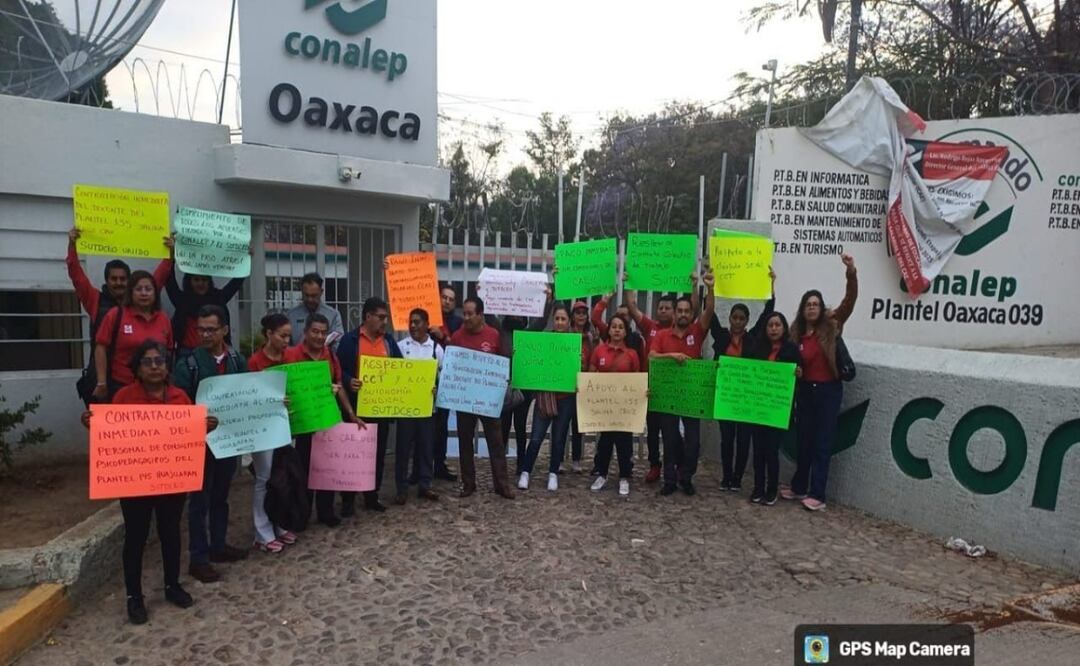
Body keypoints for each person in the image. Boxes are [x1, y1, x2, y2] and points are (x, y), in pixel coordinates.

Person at [80, 340, 216, 624]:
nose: (155, 367)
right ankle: (134, 596)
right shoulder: (124, 398)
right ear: (137, 368)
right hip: (135, 481)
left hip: (171, 480)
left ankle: (172, 585)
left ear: (167, 367)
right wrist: (93, 422)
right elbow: (111, 433)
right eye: (148, 362)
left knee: (170, 533)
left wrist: (204, 426)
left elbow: (188, 437)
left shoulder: (180, 397)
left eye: (160, 361)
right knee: (136, 537)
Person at [171, 305, 249, 583]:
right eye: (201, 329)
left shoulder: (238, 360)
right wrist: (198, 421)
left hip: (228, 441)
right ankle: (198, 557)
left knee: (221, 496)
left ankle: (218, 545)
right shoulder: (188, 365)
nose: (204, 334)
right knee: (199, 502)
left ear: (224, 330)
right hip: (200, 444)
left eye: (211, 329)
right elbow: (177, 406)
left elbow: (249, 394)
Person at [68, 230, 173, 405]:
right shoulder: (96, 300)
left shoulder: (153, 308)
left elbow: (158, 277)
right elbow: (77, 277)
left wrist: (170, 253)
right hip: (113, 383)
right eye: (114, 279)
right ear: (107, 281)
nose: (118, 282)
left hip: (149, 384)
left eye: (123, 279)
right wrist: (72, 246)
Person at [287, 313, 366, 527]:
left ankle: (326, 511)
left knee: (327, 468)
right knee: (303, 470)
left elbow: (338, 384)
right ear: (305, 332)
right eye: (315, 331)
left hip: (327, 419)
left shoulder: (329, 355)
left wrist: (350, 413)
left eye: (323, 332)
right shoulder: (292, 355)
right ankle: (302, 514)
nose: (319, 336)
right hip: (304, 422)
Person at [779, 288, 854, 512]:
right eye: (808, 304)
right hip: (805, 392)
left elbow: (849, 301)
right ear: (802, 309)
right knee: (804, 442)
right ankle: (799, 486)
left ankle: (818, 493)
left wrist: (851, 273)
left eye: (815, 304)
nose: (811, 307)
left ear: (821, 309)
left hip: (827, 391)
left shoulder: (831, 329)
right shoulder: (796, 335)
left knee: (822, 443)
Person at [709, 269, 776, 492]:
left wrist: (771, 286)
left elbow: (767, 314)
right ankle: (726, 476)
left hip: (746, 398)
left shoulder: (753, 338)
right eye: (734, 317)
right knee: (726, 438)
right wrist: (709, 287)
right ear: (730, 318)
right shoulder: (721, 337)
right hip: (726, 396)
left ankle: (738, 478)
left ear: (747, 321)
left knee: (743, 439)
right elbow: (709, 315)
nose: (737, 321)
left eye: (741, 318)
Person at [650, 269, 715, 497]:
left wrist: (709, 288)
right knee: (668, 440)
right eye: (680, 310)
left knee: (693, 442)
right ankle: (669, 480)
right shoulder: (661, 335)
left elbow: (708, 311)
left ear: (691, 314)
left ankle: (686, 477)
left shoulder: (697, 332)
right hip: (668, 396)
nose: (684, 314)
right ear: (674, 314)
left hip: (691, 396)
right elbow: (652, 357)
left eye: (687, 311)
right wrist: (672, 356)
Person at [338, 297, 402, 514]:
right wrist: (349, 381)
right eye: (381, 317)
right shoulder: (350, 341)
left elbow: (402, 369)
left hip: (381, 409)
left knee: (377, 454)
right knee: (353, 456)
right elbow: (339, 371)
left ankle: (371, 495)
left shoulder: (389, 342)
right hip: (356, 409)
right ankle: (348, 499)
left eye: (386, 318)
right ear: (368, 317)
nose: (385, 322)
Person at [517, 304, 589, 492]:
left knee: (558, 439)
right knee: (536, 438)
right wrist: (521, 356)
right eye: (556, 319)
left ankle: (553, 474)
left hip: (566, 398)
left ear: (568, 322)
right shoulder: (544, 341)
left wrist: (579, 361)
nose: (559, 322)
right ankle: (526, 472)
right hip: (545, 397)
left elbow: (583, 371)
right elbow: (532, 362)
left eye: (563, 319)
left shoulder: (575, 343)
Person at [449, 296, 514, 499]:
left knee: (496, 441)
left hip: (488, 400)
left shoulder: (494, 335)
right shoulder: (457, 337)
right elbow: (452, 366)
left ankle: (501, 485)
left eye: (470, 314)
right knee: (465, 441)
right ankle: (468, 483)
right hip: (465, 400)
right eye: (464, 313)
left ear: (480, 315)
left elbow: (503, 361)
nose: (465, 317)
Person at [246, 313, 298, 553]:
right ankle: (261, 530)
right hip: (262, 428)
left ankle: (279, 522)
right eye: (282, 335)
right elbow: (250, 398)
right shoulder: (255, 363)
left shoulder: (289, 358)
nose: (287, 341)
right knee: (264, 478)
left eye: (289, 336)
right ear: (269, 334)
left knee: (281, 477)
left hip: (285, 425)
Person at [92, 271, 173, 401]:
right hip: (121, 384)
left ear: (155, 293)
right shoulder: (115, 315)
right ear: (131, 292)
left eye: (148, 289)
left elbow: (168, 352)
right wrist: (101, 382)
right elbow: (100, 347)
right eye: (139, 289)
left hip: (156, 387)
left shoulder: (164, 319)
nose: (144, 293)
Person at [626, 293, 680, 483]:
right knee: (653, 430)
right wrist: (628, 285)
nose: (663, 311)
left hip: (673, 391)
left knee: (671, 432)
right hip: (652, 389)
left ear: (674, 312)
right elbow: (632, 310)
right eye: (660, 308)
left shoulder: (682, 330)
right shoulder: (650, 327)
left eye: (667, 308)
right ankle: (654, 465)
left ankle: (672, 466)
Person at [748, 312, 801, 505]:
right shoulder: (757, 348)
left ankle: (771, 490)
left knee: (771, 451)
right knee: (758, 452)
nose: (774, 328)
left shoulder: (791, 350)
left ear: (784, 328)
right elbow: (746, 371)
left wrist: (798, 373)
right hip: (758, 408)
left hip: (777, 410)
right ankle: (758, 487)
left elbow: (799, 375)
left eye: (777, 325)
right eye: (770, 325)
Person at [588, 314, 642, 497]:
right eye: (614, 326)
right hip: (605, 407)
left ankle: (624, 477)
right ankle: (602, 474)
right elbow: (591, 375)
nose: (617, 330)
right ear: (609, 330)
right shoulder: (599, 351)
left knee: (624, 443)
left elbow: (636, 380)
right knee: (605, 442)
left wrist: (642, 391)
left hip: (624, 410)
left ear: (626, 332)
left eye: (621, 327)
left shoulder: (632, 355)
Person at [394, 308, 443, 505]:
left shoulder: (436, 349)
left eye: (417, 322)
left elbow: (443, 377)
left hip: (427, 409)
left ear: (426, 324)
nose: (413, 326)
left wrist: (436, 389)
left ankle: (425, 485)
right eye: (411, 322)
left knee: (426, 447)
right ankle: (401, 488)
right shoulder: (400, 347)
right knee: (403, 449)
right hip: (406, 409)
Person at [166, 268, 245, 357]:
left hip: (215, 352)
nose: (200, 283)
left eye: (204, 280)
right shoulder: (182, 300)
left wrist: (245, 261)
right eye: (196, 280)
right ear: (189, 281)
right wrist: (169, 258)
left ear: (209, 281)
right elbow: (169, 281)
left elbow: (235, 284)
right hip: (187, 353)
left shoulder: (218, 298)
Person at [428, 283, 462, 482]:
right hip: (425, 377)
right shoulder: (428, 319)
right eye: (444, 297)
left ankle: (439, 464)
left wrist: (444, 337)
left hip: (447, 378)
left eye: (451, 299)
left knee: (441, 425)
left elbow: (460, 349)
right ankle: (420, 467)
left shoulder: (457, 322)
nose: (447, 301)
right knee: (423, 425)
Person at [566, 300, 594, 473]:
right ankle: (560, 459)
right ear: (573, 316)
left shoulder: (591, 336)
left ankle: (576, 459)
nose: (581, 316)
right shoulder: (566, 334)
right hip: (566, 382)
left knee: (578, 425)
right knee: (561, 424)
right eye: (578, 313)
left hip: (583, 384)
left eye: (584, 313)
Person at [287, 273, 345, 350]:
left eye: (314, 296)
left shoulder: (333, 315)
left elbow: (338, 342)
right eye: (306, 295)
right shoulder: (291, 315)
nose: (309, 299)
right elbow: (285, 344)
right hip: (298, 360)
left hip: (324, 360)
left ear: (321, 292)